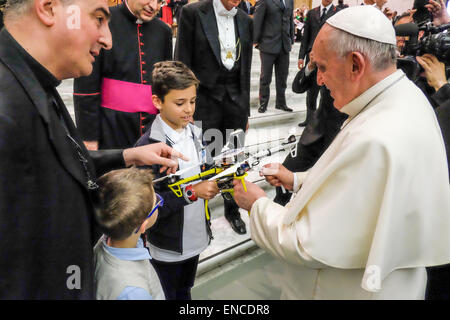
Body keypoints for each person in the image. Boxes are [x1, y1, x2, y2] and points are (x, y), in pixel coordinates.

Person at [233, 5, 450, 299]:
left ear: (355, 64)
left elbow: (306, 244)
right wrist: (296, 180)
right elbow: (360, 190)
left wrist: (256, 204)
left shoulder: (376, 136)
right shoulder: (405, 97)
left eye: (322, 67)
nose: (319, 80)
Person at [0, 0, 185, 300]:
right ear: (48, 8)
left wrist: (127, 155)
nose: (108, 39)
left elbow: (58, 163)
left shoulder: (31, 81)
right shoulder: (6, 111)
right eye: (98, 18)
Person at [134, 61, 220, 300]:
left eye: (192, 101)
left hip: (195, 237)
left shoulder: (197, 133)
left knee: (185, 290)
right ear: (157, 102)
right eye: (180, 103)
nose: (189, 110)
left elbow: (205, 169)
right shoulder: (147, 147)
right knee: (167, 294)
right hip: (167, 246)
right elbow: (150, 206)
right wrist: (193, 192)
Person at [175, 0, 253, 235]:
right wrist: (184, 108)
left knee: (231, 161)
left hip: (235, 103)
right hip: (204, 102)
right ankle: (202, 215)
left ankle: (232, 208)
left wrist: (245, 110)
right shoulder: (192, 13)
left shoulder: (245, 20)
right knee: (204, 162)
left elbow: (246, 67)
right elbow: (182, 64)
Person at [74, 0, 172, 151]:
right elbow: (86, 87)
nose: (154, 6)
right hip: (111, 128)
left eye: (160, 1)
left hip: (153, 131)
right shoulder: (102, 22)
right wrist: (89, 137)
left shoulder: (163, 31)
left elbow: (166, 85)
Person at [274, 52, 347, 206]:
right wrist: (311, 66)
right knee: (285, 172)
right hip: (318, 131)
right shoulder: (329, 54)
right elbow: (298, 87)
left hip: (349, 138)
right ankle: (276, 209)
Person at [92, 167, 165, 300]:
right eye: (157, 202)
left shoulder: (103, 242)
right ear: (143, 225)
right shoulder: (132, 294)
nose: (159, 203)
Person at [297, 0, 338, 127]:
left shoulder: (337, 12)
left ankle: (322, 120)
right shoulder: (311, 13)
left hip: (329, 59)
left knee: (326, 92)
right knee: (311, 91)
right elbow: (306, 37)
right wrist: (301, 57)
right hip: (312, 57)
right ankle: (310, 119)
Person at [253, 0, 295, 113]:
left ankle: (281, 103)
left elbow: (290, 19)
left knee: (283, 77)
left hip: (284, 44)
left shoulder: (290, 1)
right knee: (265, 77)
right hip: (268, 43)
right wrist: (255, 40)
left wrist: (291, 37)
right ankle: (263, 103)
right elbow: (257, 20)